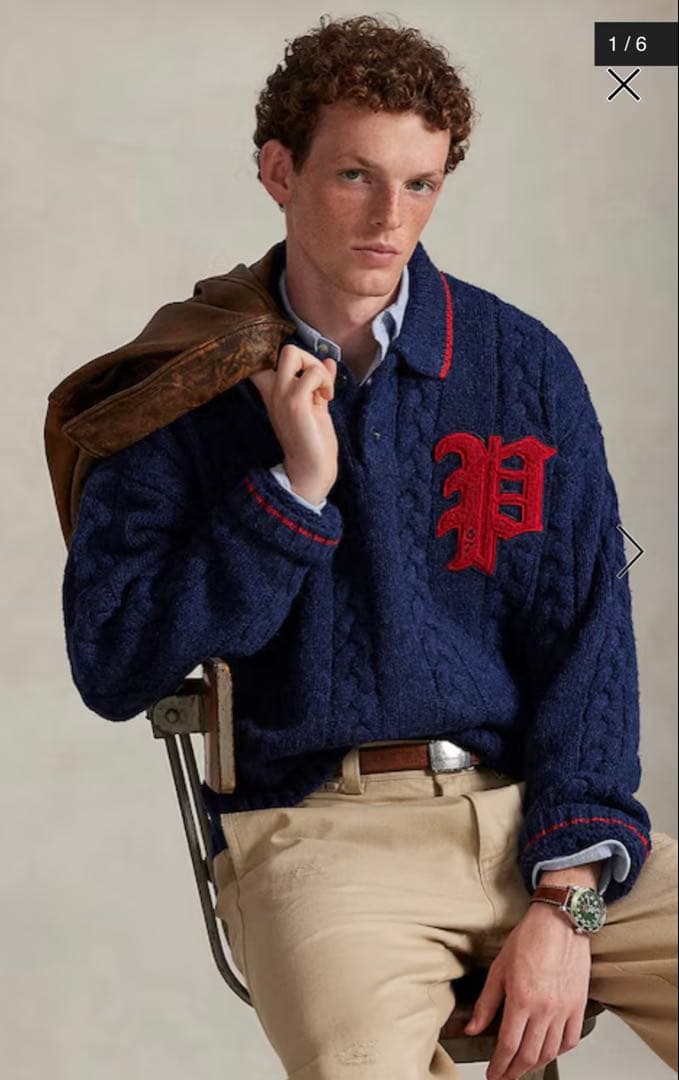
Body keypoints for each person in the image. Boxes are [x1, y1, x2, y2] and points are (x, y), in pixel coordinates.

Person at [60, 14, 677, 1080]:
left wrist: (564, 902)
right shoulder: (182, 386)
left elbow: (589, 645)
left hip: (538, 831)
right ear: (278, 170)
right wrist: (292, 493)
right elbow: (114, 663)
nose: (392, 218)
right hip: (318, 839)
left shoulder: (523, 367)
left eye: (420, 183)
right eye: (355, 176)